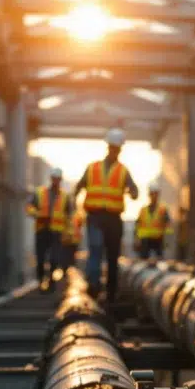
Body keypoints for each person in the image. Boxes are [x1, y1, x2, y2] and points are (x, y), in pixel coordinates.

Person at [74, 127, 138, 301]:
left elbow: (135, 191)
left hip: (113, 218)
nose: (115, 151)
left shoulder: (123, 171)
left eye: (117, 148)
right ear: (109, 147)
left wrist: (132, 191)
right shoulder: (92, 168)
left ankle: (110, 291)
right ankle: (94, 285)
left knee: (112, 255)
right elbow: (79, 186)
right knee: (95, 249)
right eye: (113, 147)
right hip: (95, 216)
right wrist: (74, 207)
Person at [25, 167, 72, 292]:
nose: (56, 181)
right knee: (40, 258)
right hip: (41, 229)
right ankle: (41, 280)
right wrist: (38, 214)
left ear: (60, 180)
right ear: (51, 178)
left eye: (58, 179)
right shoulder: (39, 192)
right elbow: (29, 207)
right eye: (54, 178)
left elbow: (69, 215)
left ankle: (51, 281)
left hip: (56, 231)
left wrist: (68, 232)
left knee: (54, 258)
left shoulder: (65, 196)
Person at [134, 182, 169, 259]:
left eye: (155, 194)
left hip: (158, 241)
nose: (154, 196)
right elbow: (137, 226)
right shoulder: (142, 210)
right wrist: (136, 240)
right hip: (144, 241)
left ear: (158, 195)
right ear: (149, 195)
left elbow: (167, 226)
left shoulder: (163, 210)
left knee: (160, 261)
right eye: (152, 194)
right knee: (143, 261)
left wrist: (166, 241)